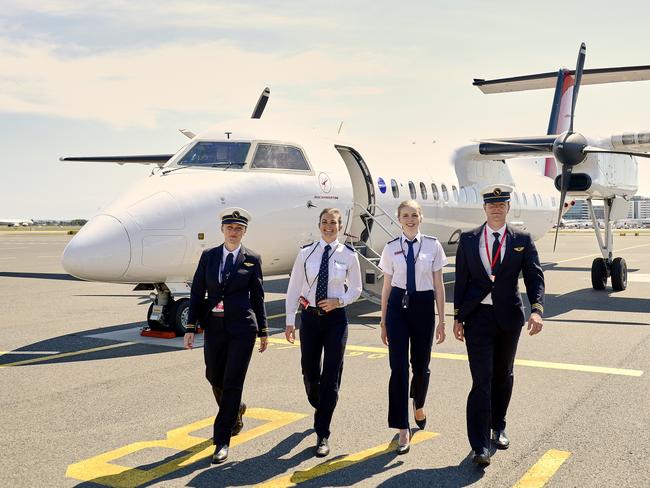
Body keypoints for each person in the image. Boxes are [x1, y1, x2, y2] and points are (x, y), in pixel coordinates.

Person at [453, 184, 544, 466]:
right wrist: (457, 316)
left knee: (504, 375)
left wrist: (537, 309)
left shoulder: (522, 239)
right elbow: (462, 280)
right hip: (477, 317)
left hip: (509, 318)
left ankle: (498, 425)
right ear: (485, 208)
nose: (496, 208)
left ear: (507, 207)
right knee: (481, 379)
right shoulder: (468, 240)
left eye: (501, 204)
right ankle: (479, 445)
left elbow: (534, 277)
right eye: (491, 205)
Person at [183, 207, 268, 464]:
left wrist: (263, 330)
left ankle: (222, 440)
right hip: (214, 327)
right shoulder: (208, 256)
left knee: (232, 381)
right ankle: (236, 409)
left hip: (243, 328)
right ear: (222, 230)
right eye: (230, 227)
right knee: (213, 375)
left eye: (238, 228)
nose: (234, 232)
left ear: (244, 232)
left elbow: (258, 296)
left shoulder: (252, 259)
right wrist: (190, 327)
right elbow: (198, 292)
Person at [285, 208, 362, 457]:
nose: (329, 226)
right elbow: (294, 286)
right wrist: (289, 320)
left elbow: (357, 289)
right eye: (325, 222)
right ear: (319, 224)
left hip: (336, 320)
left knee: (331, 376)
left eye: (334, 223)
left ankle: (322, 433)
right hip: (309, 318)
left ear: (340, 226)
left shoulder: (349, 255)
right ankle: (321, 405)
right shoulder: (306, 252)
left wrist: (339, 301)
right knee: (309, 371)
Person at [378, 200, 447, 454]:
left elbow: (439, 286)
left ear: (421, 217)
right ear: (399, 219)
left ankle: (419, 403)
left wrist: (441, 320)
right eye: (405, 215)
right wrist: (383, 321)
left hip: (423, 306)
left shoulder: (432, 245)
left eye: (414, 215)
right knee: (398, 367)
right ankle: (402, 427)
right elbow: (386, 287)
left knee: (421, 365)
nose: (410, 219)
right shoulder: (390, 248)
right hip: (397, 306)